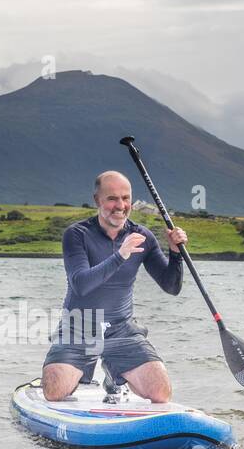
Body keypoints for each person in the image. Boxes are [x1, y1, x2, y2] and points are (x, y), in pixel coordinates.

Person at [41, 170, 187, 402]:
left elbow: (171, 287)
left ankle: (114, 372)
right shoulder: (77, 234)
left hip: (122, 330)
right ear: (98, 200)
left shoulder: (142, 237)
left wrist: (175, 252)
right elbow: (80, 284)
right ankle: (77, 373)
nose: (120, 205)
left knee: (161, 393)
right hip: (77, 328)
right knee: (54, 392)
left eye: (126, 198)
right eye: (112, 198)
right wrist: (120, 255)